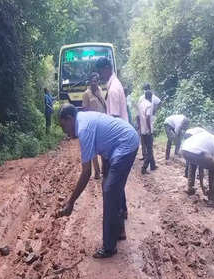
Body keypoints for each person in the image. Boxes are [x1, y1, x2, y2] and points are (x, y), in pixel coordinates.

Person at [56, 104, 139, 258]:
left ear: (69, 119)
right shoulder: (84, 119)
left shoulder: (83, 129)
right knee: (111, 185)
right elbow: (103, 141)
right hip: (121, 142)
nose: (64, 131)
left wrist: (71, 202)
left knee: (109, 190)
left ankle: (109, 247)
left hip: (125, 143)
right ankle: (119, 230)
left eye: (63, 126)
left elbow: (86, 172)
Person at [181, 131, 214, 207]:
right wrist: (204, 189)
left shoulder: (210, 139)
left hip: (185, 150)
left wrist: (203, 188)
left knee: (193, 162)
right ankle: (213, 200)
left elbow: (201, 167)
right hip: (196, 152)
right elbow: (212, 169)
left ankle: (190, 188)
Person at [82, 72, 107, 179]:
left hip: (102, 122)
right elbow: (85, 109)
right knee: (93, 149)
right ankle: (97, 172)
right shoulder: (86, 94)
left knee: (103, 147)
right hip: (92, 124)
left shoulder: (100, 90)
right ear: (89, 82)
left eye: (95, 81)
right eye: (92, 81)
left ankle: (104, 169)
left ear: (98, 82)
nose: (94, 83)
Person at [95, 57, 128, 122]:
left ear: (107, 69)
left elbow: (115, 119)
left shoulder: (113, 89)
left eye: (100, 72)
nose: (100, 76)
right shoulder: (115, 83)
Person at [138, 83, 162, 160]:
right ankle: (149, 160)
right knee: (149, 143)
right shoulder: (152, 96)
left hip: (143, 122)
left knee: (144, 140)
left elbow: (138, 113)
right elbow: (160, 102)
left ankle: (146, 156)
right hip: (148, 120)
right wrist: (155, 110)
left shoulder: (142, 98)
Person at [138, 90, 157, 174]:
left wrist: (139, 126)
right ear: (150, 97)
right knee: (149, 150)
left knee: (149, 148)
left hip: (142, 130)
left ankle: (153, 165)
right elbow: (148, 117)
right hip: (147, 131)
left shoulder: (141, 104)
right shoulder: (149, 105)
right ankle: (144, 168)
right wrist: (149, 129)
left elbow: (138, 117)